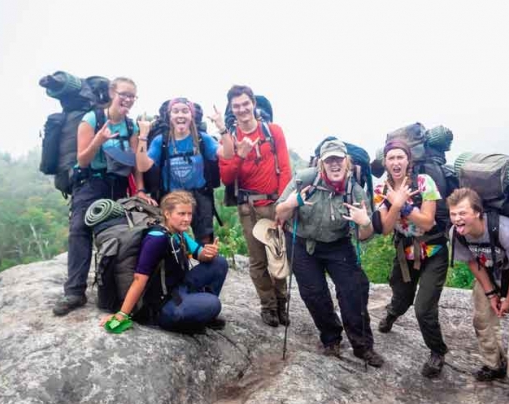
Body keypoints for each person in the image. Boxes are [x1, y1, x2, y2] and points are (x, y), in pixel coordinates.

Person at [274, 140, 384, 367]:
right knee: (314, 294)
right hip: (302, 243)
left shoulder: (355, 191)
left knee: (353, 291)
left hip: (337, 245)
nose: (334, 165)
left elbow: (364, 236)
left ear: (347, 162)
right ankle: (331, 337)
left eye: (338, 160)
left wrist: (364, 223)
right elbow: (279, 211)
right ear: (321, 164)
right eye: (329, 160)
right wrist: (292, 203)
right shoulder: (303, 179)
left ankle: (363, 346)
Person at [54, 77, 141, 316]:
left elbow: (135, 165)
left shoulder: (131, 127)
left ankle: (113, 291)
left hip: (117, 186)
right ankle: (74, 292)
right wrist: (99, 140)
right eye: (124, 94)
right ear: (112, 92)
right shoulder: (92, 119)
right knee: (80, 232)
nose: (128, 100)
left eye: (132, 96)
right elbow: (82, 159)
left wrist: (140, 191)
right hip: (90, 183)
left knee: (117, 236)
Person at [448, 188, 509, 404]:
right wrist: (491, 294)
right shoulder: (456, 233)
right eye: (453, 214)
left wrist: (507, 300)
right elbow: (472, 262)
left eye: (462, 213)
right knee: (481, 318)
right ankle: (493, 364)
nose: (457, 219)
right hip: (490, 270)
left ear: (478, 212)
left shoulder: (507, 230)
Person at [99, 190, 228, 333]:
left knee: (219, 263)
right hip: (162, 306)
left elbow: (200, 254)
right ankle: (189, 317)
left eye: (189, 214)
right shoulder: (156, 239)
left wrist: (209, 253)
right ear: (167, 214)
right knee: (213, 304)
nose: (186, 219)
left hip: (179, 289)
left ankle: (198, 312)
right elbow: (139, 279)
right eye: (181, 214)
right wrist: (122, 314)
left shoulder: (179, 234)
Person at [373, 139, 449, 378]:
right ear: (385, 162)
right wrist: (395, 204)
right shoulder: (380, 190)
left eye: (400, 157)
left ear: (408, 161)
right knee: (402, 297)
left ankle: (437, 352)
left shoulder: (424, 182)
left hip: (433, 251)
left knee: (423, 308)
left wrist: (403, 206)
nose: (396, 162)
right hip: (405, 252)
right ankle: (392, 313)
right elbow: (385, 229)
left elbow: (427, 222)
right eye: (391, 158)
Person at [218, 85, 292, 327]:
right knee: (258, 260)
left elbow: (285, 169)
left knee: (278, 256)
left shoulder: (273, 131)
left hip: (274, 203)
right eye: (236, 106)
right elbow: (227, 178)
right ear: (232, 108)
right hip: (249, 208)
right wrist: (240, 154)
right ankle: (268, 306)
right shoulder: (230, 139)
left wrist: (283, 205)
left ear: (253, 104)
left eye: (245, 103)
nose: (241, 109)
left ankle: (282, 302)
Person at [135, 97, 225, 244]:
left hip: (200, 194)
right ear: (170, 116)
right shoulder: (161, 141)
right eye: (175, 111)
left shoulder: (202, 139)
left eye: (185, 111)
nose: (180, 115)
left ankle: (206, 264)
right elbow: (142, 166)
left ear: (191, 116)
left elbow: (227, 154)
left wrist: (223, 128)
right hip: (171, 195)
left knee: (204, 239)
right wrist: (143, 136)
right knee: (168, 239)